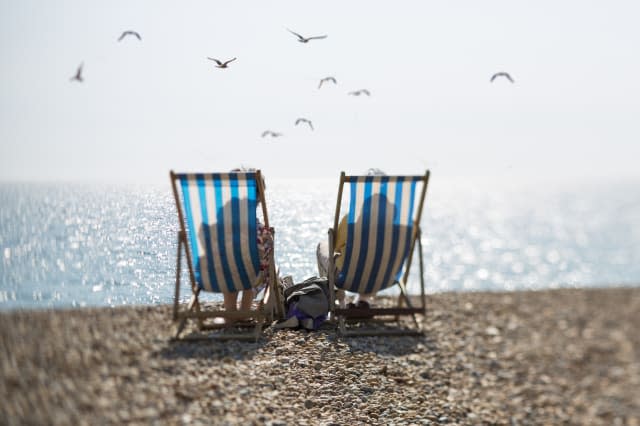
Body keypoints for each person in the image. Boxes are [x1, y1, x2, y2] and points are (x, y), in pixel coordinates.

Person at [316, 168, 386, 308]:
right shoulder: (397, 224)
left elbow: (336, 245)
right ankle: (363, 301)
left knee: (325, 247)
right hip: (382, 277)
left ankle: (339, 301)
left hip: (349, 278)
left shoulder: (353, 219)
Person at [222, 167, 273, 314]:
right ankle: (245, 310)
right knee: (259, 267)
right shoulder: (259, 230)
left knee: (228, 267)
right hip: (252, 277)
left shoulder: (219, 228)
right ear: (258, 197)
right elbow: (265, 257)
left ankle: (230, 312)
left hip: (221, 276)